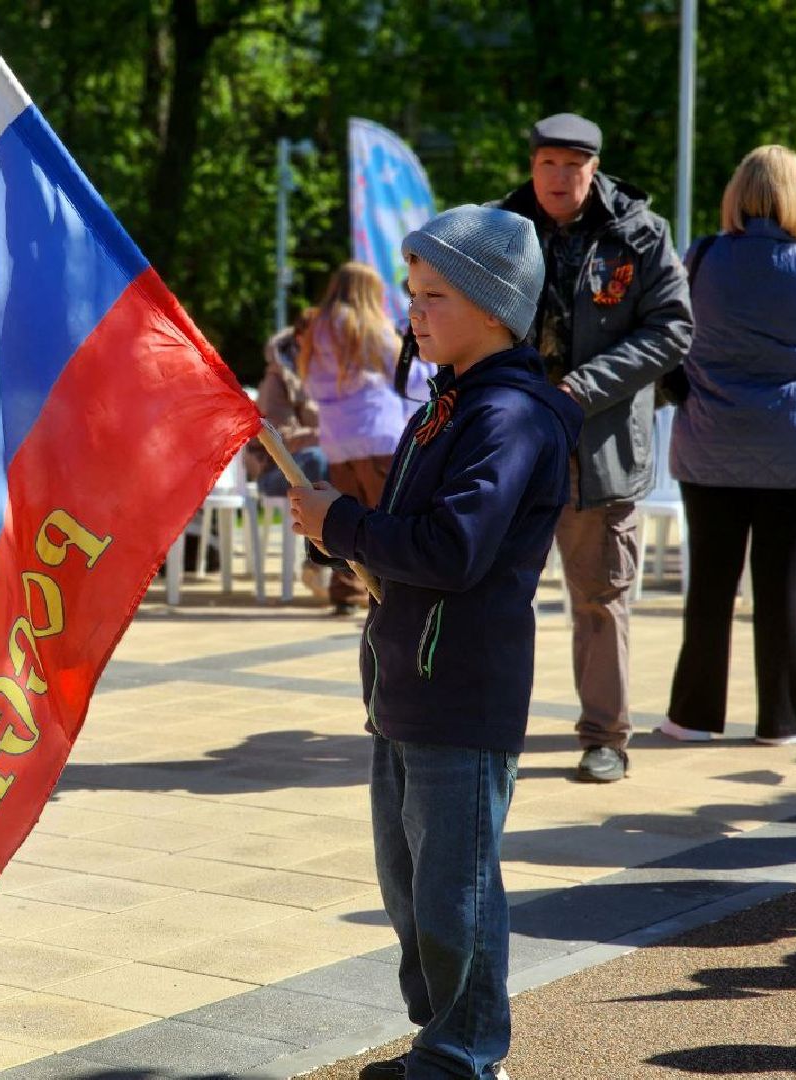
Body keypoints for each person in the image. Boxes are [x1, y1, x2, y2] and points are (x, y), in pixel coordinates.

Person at [291, 205, 582, 1080]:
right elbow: (408, 534)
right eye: (413, 293)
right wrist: (342, 529)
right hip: (406, 685)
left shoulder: (510, 417)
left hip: (462, 690)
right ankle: (440, 1038)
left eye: (434, 296)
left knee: (454, 892)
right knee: (409, 885)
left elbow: (454, 549)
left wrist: (344, 524)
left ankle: (463, 1053)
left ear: (494, 308)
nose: (413, 313)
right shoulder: (444, 404)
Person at [495, 113, 692, 782]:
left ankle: (605, 736)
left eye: (572, 166)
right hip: (510, 446)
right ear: (532, 164)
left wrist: (583, 387)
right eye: (547, 162)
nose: (558, 177)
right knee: (492, 593)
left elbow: (672, 330)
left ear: (594, 168)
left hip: (598, 449)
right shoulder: (498, 229)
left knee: (600, 599)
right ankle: (490, 730)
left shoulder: (639, 234)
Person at [658, 145, 796, 746]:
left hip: (709, 444)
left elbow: (670, 335)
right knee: (783, 590)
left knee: (710, 587)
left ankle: (693, 716)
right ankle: (787, 719)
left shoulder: (700, 257)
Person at [298, 262, 407, 614]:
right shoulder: (370, 325)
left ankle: (346, 591)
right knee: (385, 515)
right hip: (378, 432)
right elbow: (405, 374)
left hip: (336, 436)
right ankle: (392, 589)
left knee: (343, 515)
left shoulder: (316, 328)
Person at [246, 310, 331, 598]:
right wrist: (339, 437)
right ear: (300, 338)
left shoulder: (334, 376)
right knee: (322, 459)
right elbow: (280, 439)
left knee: (364, 464)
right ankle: (319, 562)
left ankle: (357, 568)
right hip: (275, 472)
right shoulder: (277, 380)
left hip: (317, 466)